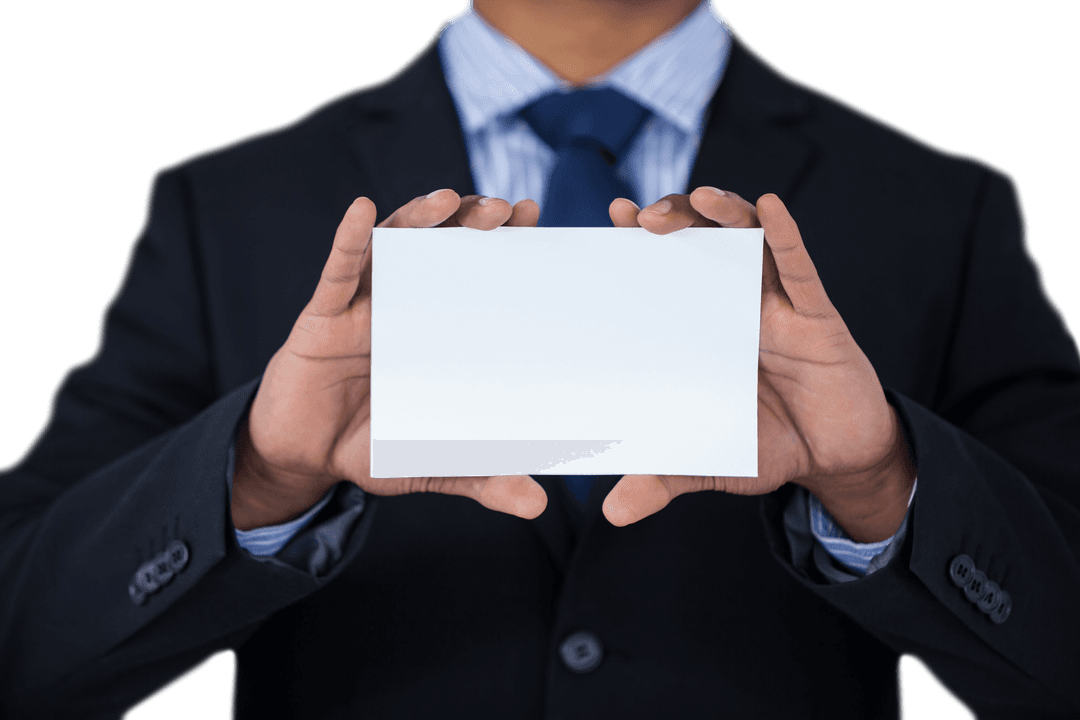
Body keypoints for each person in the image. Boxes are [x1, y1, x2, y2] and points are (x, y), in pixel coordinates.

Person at [1, 0, 1077, 717]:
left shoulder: (942, 204)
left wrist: (885, 482)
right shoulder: (224, 202)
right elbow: (21, 646)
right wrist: (254, 477)